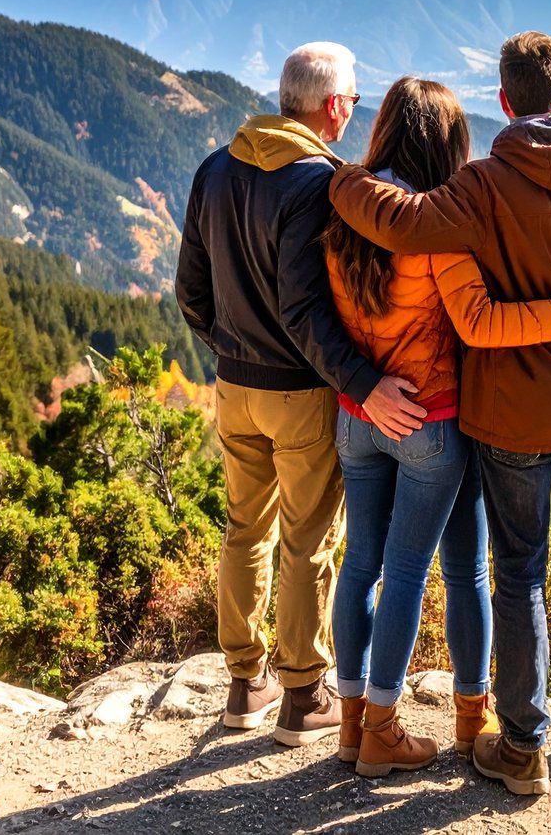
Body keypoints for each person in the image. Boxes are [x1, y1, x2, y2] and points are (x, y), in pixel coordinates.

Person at [329, 31, 551, 796]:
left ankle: (522, 747)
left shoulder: (482, 186)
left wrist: (339, 180)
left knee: (517, 572)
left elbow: (401, 223)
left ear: (506, 101)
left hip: (510, 418)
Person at [175, 42, 425, 745]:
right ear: (334, 105)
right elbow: (305, 311)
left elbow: (189, 289)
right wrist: (365, 385)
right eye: (351, 96)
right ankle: (300, 696)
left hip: (233, 386)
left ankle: (242, 683)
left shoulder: (216, 168)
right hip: (301, 393)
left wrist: (228, 347)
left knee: (244, 528)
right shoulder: (318, 182)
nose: (352, 106)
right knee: (309, 541)